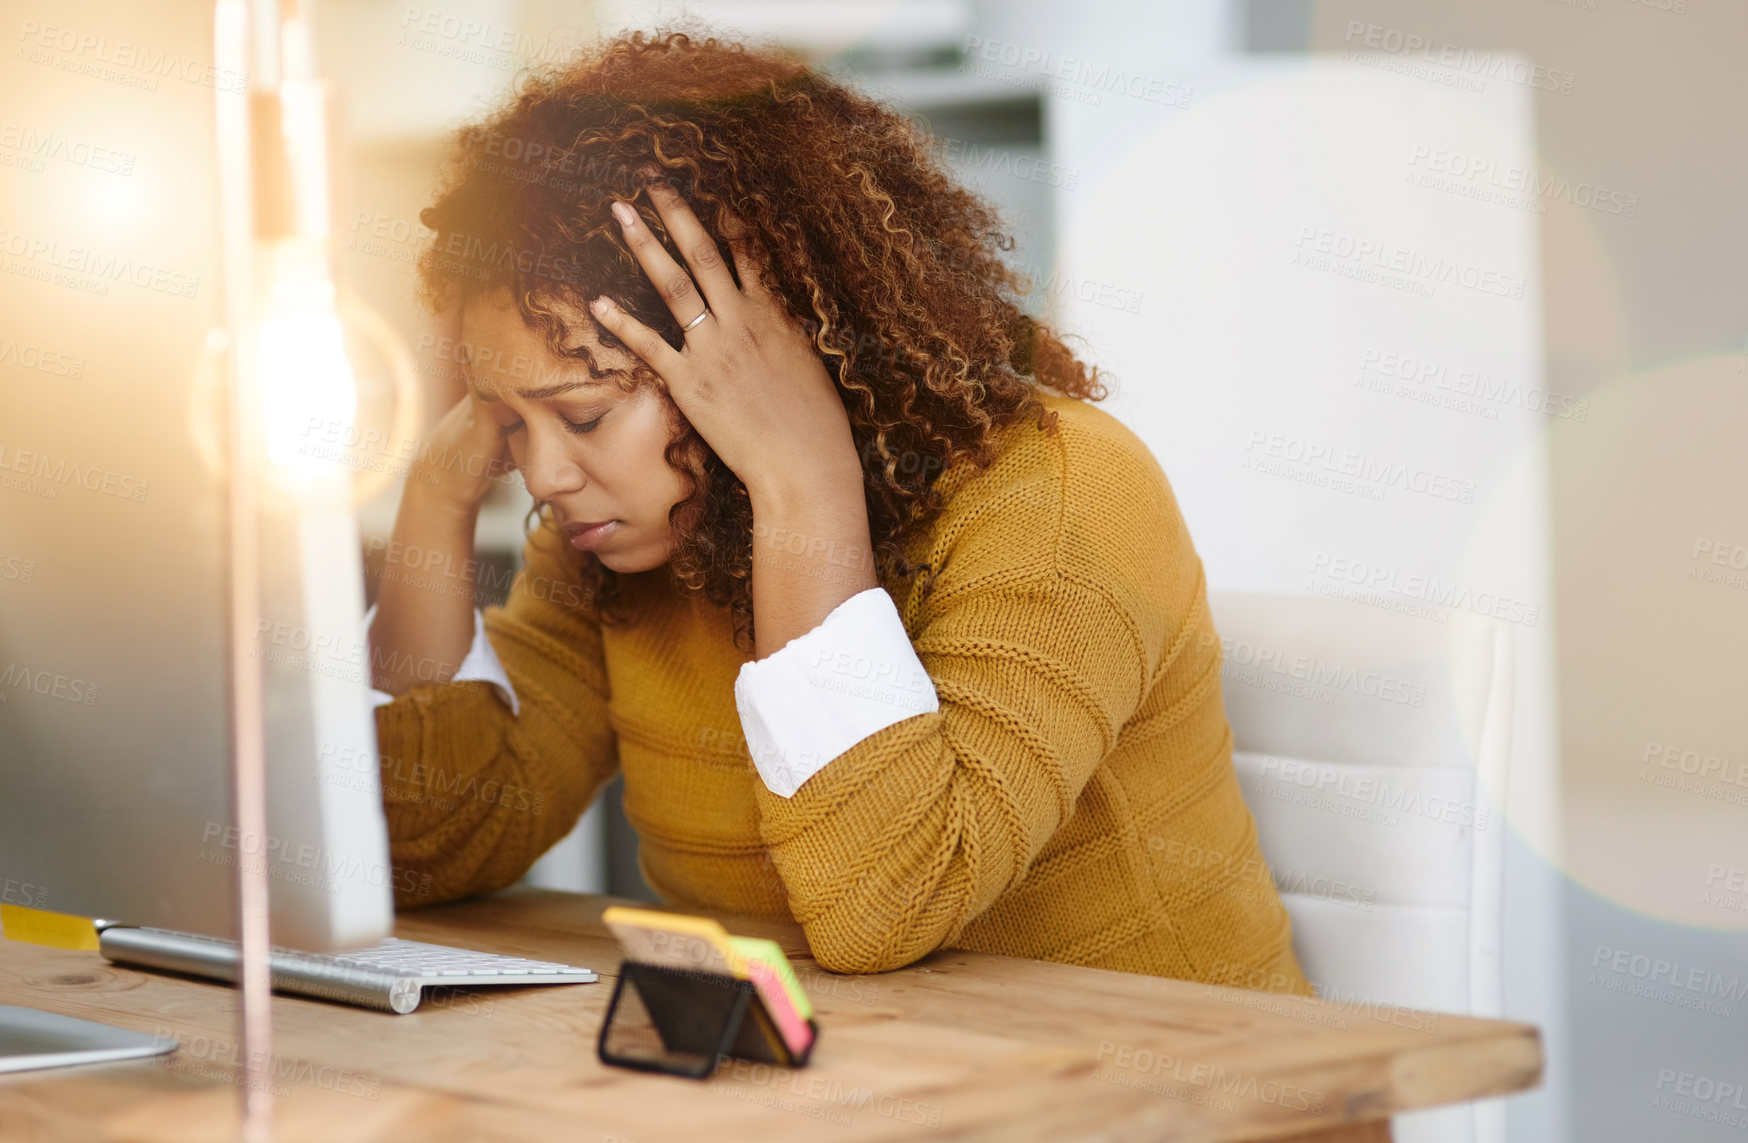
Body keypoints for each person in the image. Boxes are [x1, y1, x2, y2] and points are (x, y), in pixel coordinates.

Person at [367, 29, 1311, 993]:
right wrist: (433, 499)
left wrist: (801, 484)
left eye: (584, 414)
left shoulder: (1063, 496)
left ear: (759, 347)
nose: (547, 475)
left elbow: (887, 901)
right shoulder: (622, 541)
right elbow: (423, 851)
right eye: (506, 422)